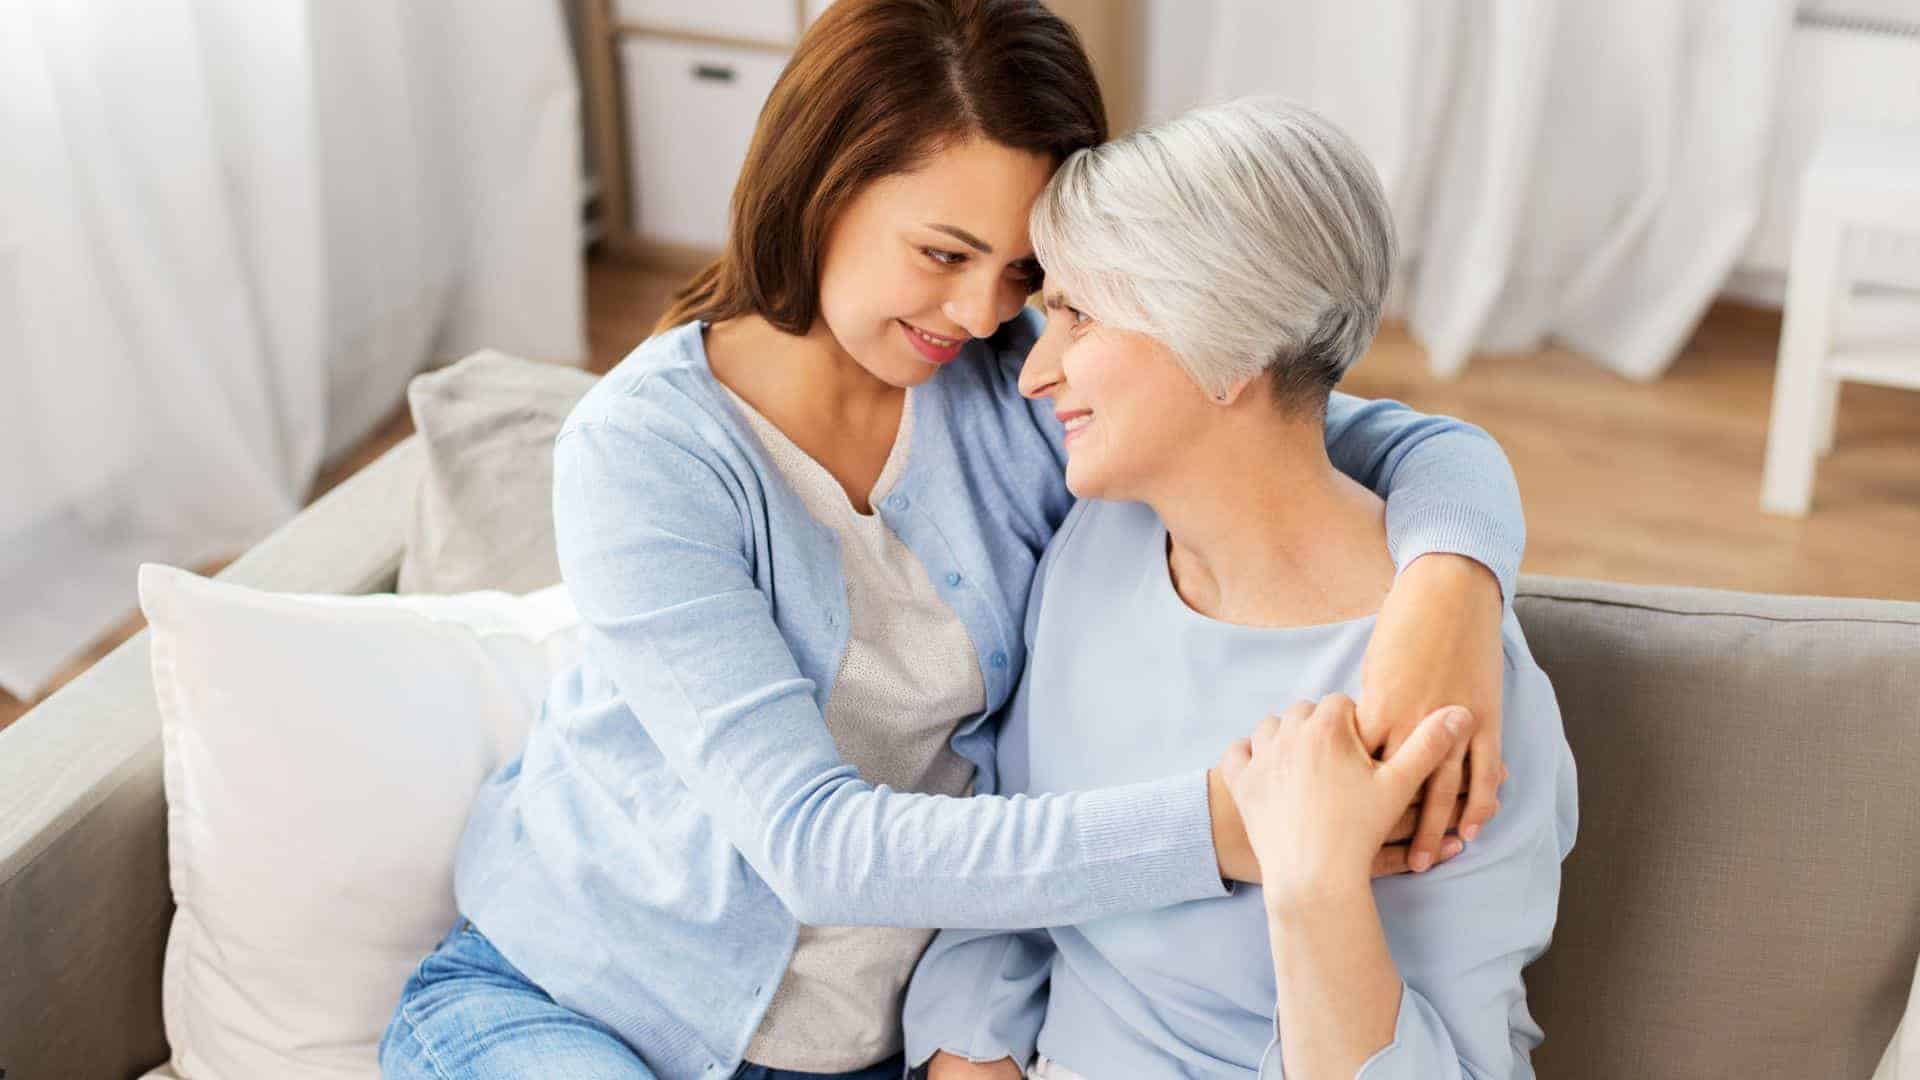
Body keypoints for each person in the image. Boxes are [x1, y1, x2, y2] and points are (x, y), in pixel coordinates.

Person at [378, 4, 1529, 1078]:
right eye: (942, 253)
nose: (984, 315)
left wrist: (1450, 588)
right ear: (822, 189)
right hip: (575, 1003)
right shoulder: (645, 456)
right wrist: (1231, 828)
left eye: (1023, 271)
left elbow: (1353, 427)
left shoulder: (1025, 392)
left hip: (875, 1041)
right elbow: (815, 845)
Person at [904, 98, 1577, 1080]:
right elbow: (1015, 860)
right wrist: (971, 1052)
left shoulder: (1443, 701)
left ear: (1230, 348)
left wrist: (1316, 891)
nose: (1033, 374)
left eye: (1081, 317)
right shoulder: (1099, 544)